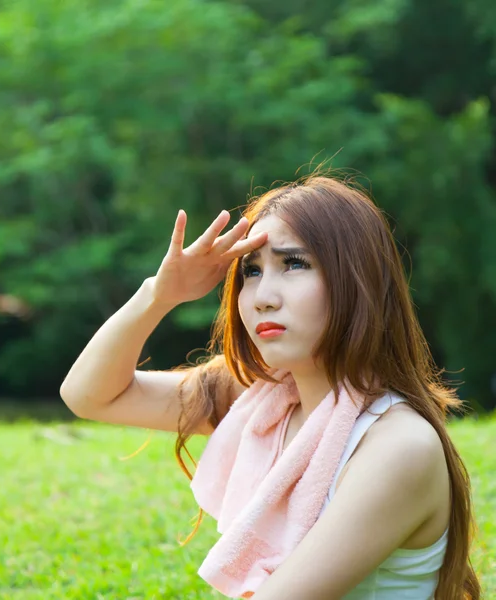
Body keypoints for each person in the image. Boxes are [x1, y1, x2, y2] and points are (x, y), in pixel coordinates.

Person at [60, 174, 481, 599]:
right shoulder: (262, 399)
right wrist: (158, 295)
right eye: (251, 270)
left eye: (294, 263)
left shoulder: (398, 445)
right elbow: (89, 395)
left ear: (357, 279)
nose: (262, 295)